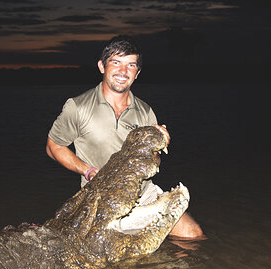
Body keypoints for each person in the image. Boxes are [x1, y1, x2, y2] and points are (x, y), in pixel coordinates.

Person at [46, 35, 203, 238]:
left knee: (192, 234)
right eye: (116, 62)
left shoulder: (145, 111)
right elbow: (53, 147)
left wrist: (162, 141)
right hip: (101, 198)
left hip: (142, 193)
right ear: (102, 66)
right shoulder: (77, 106)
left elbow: (152, 160)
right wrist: (88, 171)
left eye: (131, 65)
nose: (123, 71)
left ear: (137, 73)